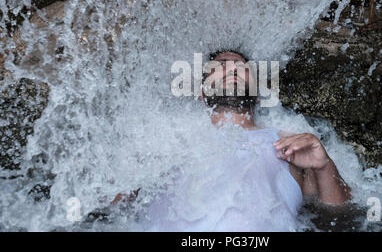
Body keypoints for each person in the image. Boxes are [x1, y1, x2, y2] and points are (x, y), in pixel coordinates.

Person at [112, 50, 351, 231]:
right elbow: (111, 208)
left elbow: (339, 214)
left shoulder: (291, 145)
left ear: (256, 94)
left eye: (241, 66)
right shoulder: (165, 140)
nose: (232, 69)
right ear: (202, 92)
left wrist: (324, 166)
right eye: (220, 66)